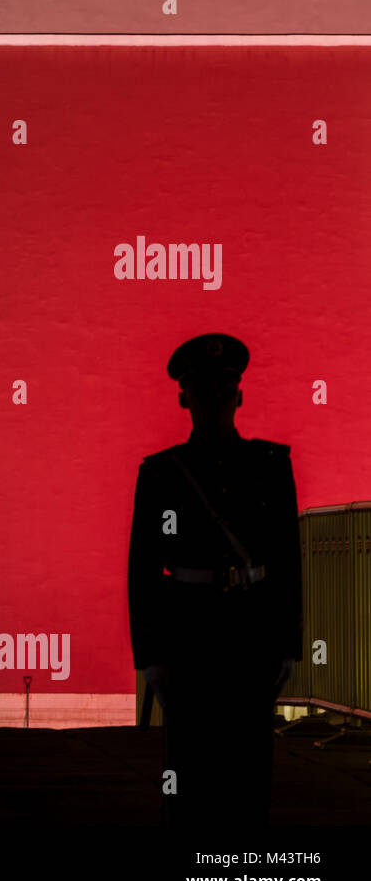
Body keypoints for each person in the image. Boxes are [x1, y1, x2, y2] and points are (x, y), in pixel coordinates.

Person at [127, 333, 302, 827]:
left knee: (250, 768)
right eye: (204, 392)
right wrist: (152, 657)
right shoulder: (162, 473)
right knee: (189, 765)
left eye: (222, 391)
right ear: (185, 398)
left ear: (238, 396)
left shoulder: (271, 466)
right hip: (189, 634)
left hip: (251, 631)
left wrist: (288, 643)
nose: (214, 402)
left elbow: (288, 561)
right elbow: (142, 569)